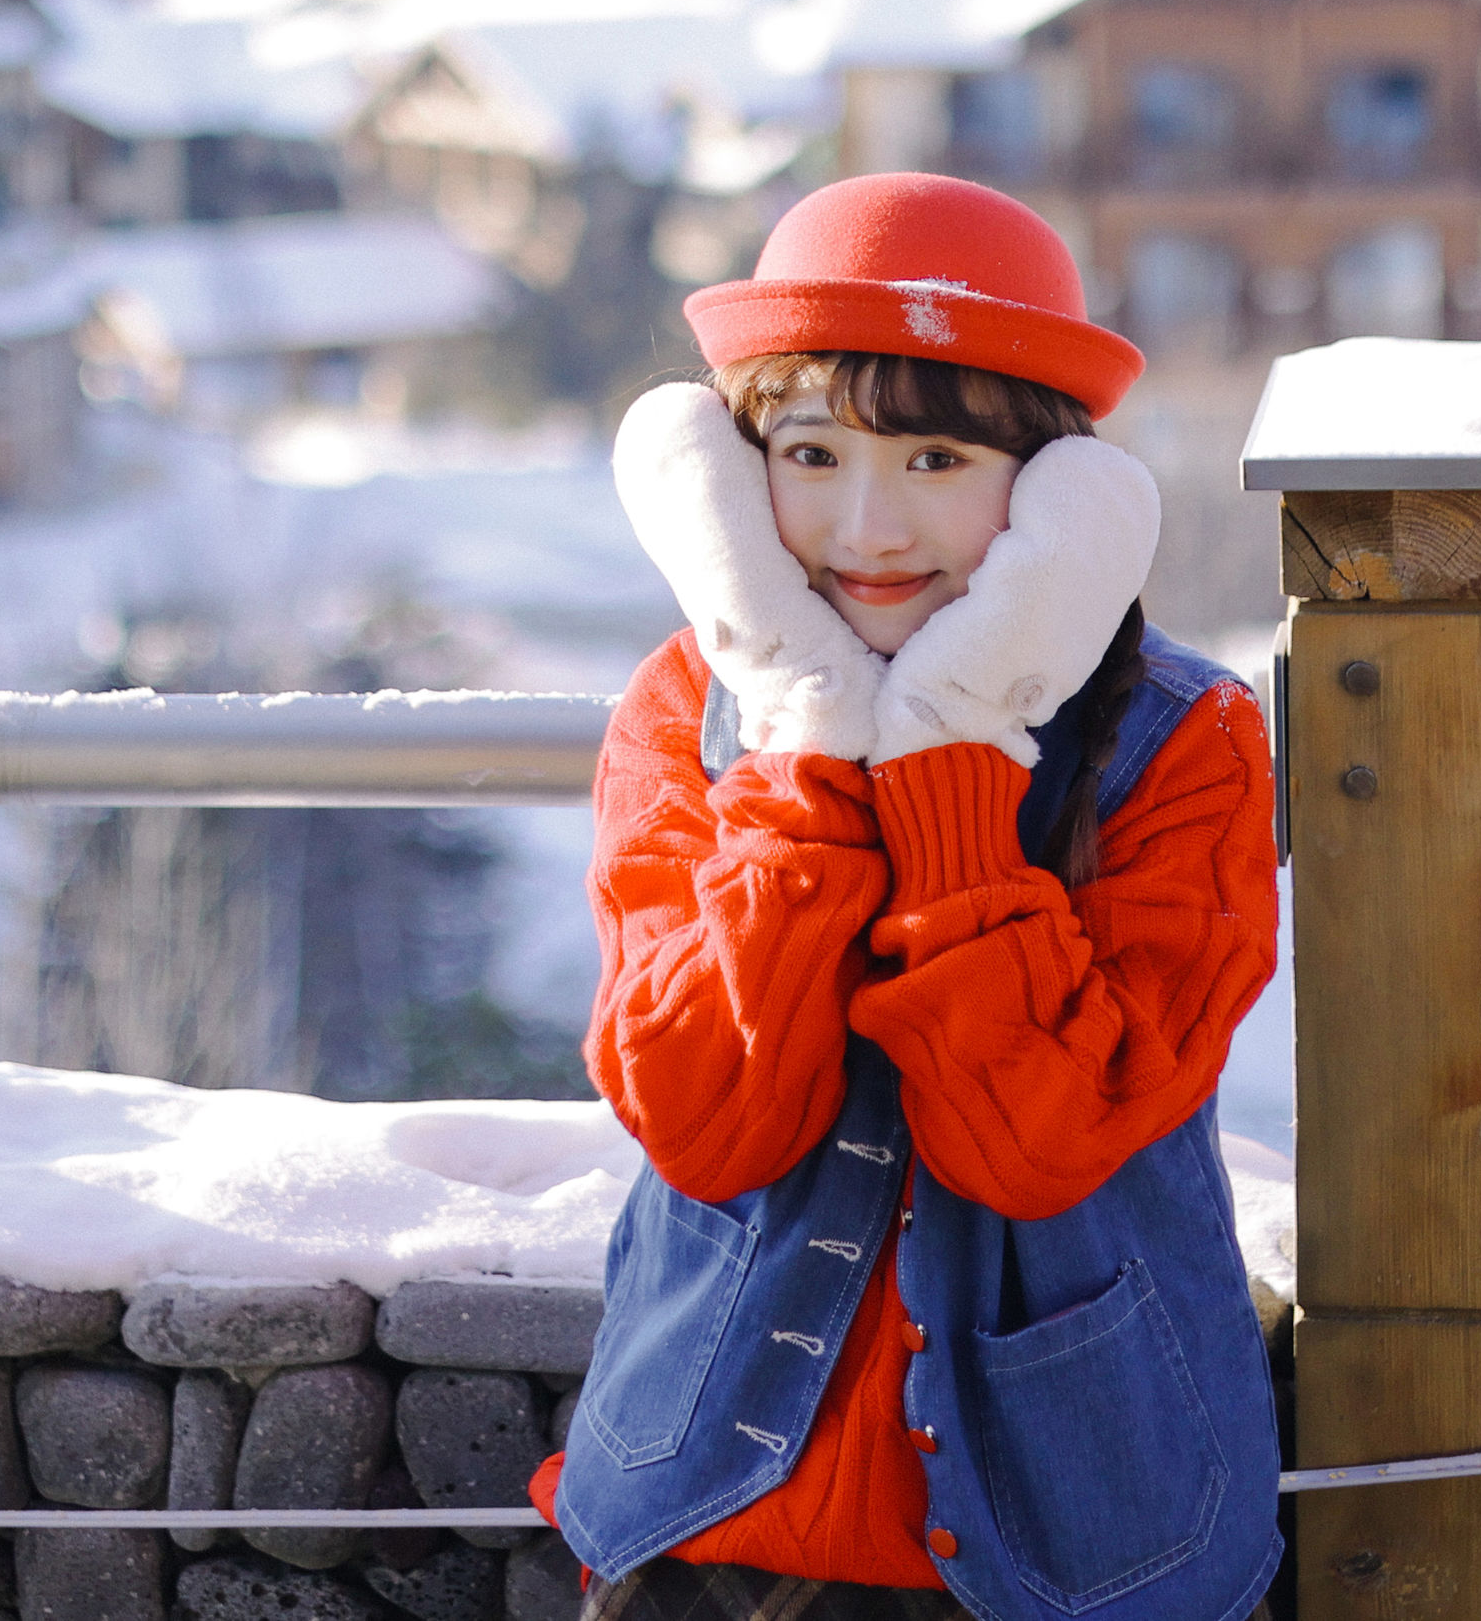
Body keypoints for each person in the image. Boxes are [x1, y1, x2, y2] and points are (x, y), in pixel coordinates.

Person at [530, 172, 1284, 1621]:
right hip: (710, 1521)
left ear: (1056, 488)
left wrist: (952, 756)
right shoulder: (687, 715)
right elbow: (704, 1116)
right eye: (808, 454)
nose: (865, 525)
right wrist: (806, 743)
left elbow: (1036, 1145)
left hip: (1077, 1526)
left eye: (936, 459)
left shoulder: (1186, 742)